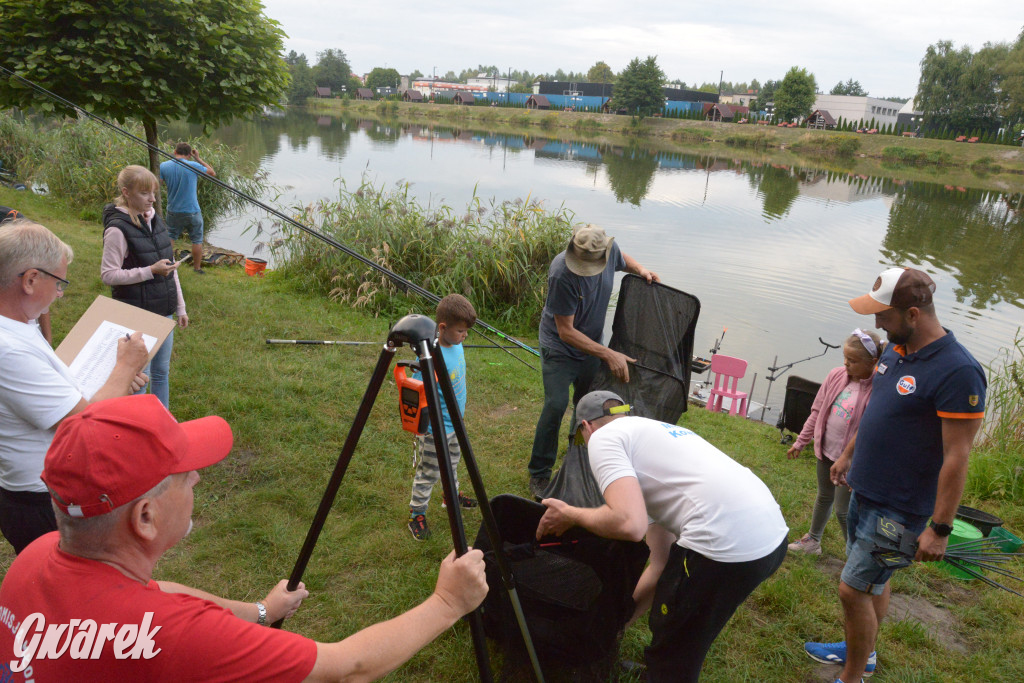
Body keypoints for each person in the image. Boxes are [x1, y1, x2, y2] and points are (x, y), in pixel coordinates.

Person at [0, 394, 489, 681]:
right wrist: (448, 602)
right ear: (145, 517)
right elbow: (348, 665)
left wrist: (261, 612)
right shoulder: (177, 637)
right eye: (184, 473)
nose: (196, 479)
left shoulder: (36, 559)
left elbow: (158, 594)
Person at [804, 267, 986, 683]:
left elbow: (957, 454)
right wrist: (849, 454)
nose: (876, 325)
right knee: (871, 582)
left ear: (914, 314)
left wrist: (939, 528)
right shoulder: (894, 351)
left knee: (852, 589)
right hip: (864, 487)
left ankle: (851, 676)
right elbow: (877, 413)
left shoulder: (959, 372)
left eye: (883, 316)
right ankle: (860, 653)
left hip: (900, 506)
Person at [536, 390, 789, 682]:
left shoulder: (604, 438)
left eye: (581, 439)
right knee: (683, 628)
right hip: (769, 541)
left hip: (724, 544)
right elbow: (661, 562)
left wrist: (572, 515)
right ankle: (664, 664)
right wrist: (618, 625)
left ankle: (667, 670)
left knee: (677, 644)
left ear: (585, 426)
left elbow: (629, 524)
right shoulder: (653, 435)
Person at [0, 219, 148, 554]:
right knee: (73, 598)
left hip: (49, 490)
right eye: (59, 282)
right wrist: (124, 367)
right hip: (41, 502)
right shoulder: (6, 348)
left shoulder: (19, 324)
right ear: (30, 280)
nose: (61, 293)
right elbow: (83, 427)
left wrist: (118, 382)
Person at [528, 224, 659, 500]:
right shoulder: (561, 272)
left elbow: (624, 260)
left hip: (591, 347)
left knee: (587, 407)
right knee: (555, 405)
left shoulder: (610, 251)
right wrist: (608, 353)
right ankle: (539, 472)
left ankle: (577, 459)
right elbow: (565, 331)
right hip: (559, 348)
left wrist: (642, 270)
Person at [786, 329, 881, 555]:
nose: (847, 364)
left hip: (851, 461)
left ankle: (857, 555)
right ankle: (813, 541)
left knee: (843, 511)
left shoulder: (878, 389)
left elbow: (871, 430)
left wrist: (851, 459)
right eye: (845, 359)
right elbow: (817, 411)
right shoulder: (836, 375)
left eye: (854, 361)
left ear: (874, 362)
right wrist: (801, 441)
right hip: (826, 452)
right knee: (824, 496)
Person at [102, 165, 189, 410]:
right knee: (140, 377)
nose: (152, 199)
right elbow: (108, 275)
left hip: (164, 310)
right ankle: (138, 429)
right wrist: (150, 271)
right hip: (136, 313)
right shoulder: (117, 230)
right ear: (126, 192)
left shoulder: (155, 220)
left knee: (162, 372)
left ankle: (162, 423)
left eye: (154, 193)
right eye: (144, 193)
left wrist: (180, 307)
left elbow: (170, 266)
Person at [407, 294, 478, 541]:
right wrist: (421, 426)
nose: (465, 336)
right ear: (443, 328)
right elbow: (417, 391)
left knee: (453, 462)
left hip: (455, 424)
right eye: (460, 331)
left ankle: (451, 496)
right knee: (429, 471)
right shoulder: (430, 357)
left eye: (466, 331)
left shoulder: (456, 343)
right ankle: (417, 513)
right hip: (436, 429)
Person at [159, 142, 215, 275]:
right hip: (192, 210)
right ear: (189, 154)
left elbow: (159, 184)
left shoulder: (163, 166)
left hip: (173, 210)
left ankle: (167, 264)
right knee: (197, 240)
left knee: (171, 237)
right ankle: (197, 269)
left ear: (174, 151)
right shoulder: (194, 165)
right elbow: (212, 172)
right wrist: (198, 158)